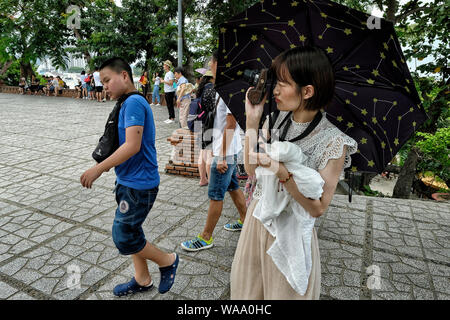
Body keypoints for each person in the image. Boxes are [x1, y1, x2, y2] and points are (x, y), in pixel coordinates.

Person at [230, 46, 358, 300]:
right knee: (247, 295)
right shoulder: (276, 120)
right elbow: (250, 169)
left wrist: (282, 173)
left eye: (282, 83)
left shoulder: (332, 141)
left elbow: (318, 208)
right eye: (275, 82)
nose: (274, 90)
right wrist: (252, 121)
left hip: (291, 234)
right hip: (258, 220)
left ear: (307, 91)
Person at [80, 57, 179, 297]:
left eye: (107, 80)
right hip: (128, 180)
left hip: (139, 185)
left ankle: (167, 260)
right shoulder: (128, 102)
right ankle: (142, 279)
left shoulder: (134, 102)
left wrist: (98, 168)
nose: (104, 86)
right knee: (133, 232)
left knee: (123, 235)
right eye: (101, 81)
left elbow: (132, 146)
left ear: (124, 76)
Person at [181, 50, 247, 251]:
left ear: (220, 64)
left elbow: (230, 124)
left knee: (216, 193)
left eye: (212, 62)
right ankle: (246, 221)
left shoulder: (231, 90)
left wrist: (222, 157)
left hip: (224, 151)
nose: (210, 65)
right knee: (233, 187)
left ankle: (206, 237)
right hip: (225, 148)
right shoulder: (224, 88)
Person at [196, 69, 215, 187]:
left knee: (202, 152)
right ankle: (212, 183)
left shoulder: (201, 89)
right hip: (209, 123)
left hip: (200, 122)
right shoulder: (212, 89)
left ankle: (202, 179)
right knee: (209, 153)